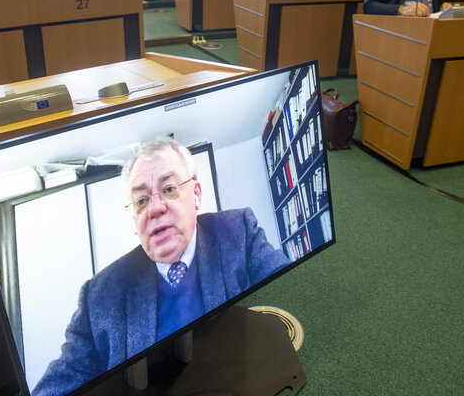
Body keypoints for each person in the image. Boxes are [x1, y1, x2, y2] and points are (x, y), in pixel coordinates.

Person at [32, 137, 290, 396]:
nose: (154, 208)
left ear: (196, 195)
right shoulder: (99, 296)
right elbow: (59, 383)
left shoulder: (237, 231)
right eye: (141, 201)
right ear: (134, 218)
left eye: (168, 189)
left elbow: (290, 288)